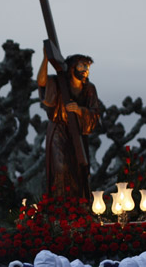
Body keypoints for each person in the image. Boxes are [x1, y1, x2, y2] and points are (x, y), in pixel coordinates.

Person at [36, 48, 100, 199]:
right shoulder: (59, 83)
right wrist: (46, 59)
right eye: (81, 66)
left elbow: (95, 114)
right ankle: (60, 205)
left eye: (87, 67)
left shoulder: (89, 89)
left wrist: (80, 111)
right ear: (72, 68)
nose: (85, 70)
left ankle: (78, 206)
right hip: (59, 129)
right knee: (60, 166)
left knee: (78, 169)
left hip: (78, 134)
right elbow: (42, 82)